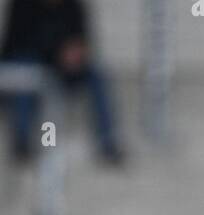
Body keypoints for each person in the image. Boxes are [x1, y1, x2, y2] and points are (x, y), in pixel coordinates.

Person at [1, 0, 124, 165]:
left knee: (95, 76)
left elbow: (84, 42)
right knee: (30, 76)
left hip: (60, 73)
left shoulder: (73, 7)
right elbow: (15, 44)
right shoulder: (23, 6)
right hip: (29, 70)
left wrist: (75, 53)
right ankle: (23, 143)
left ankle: (107, 141)